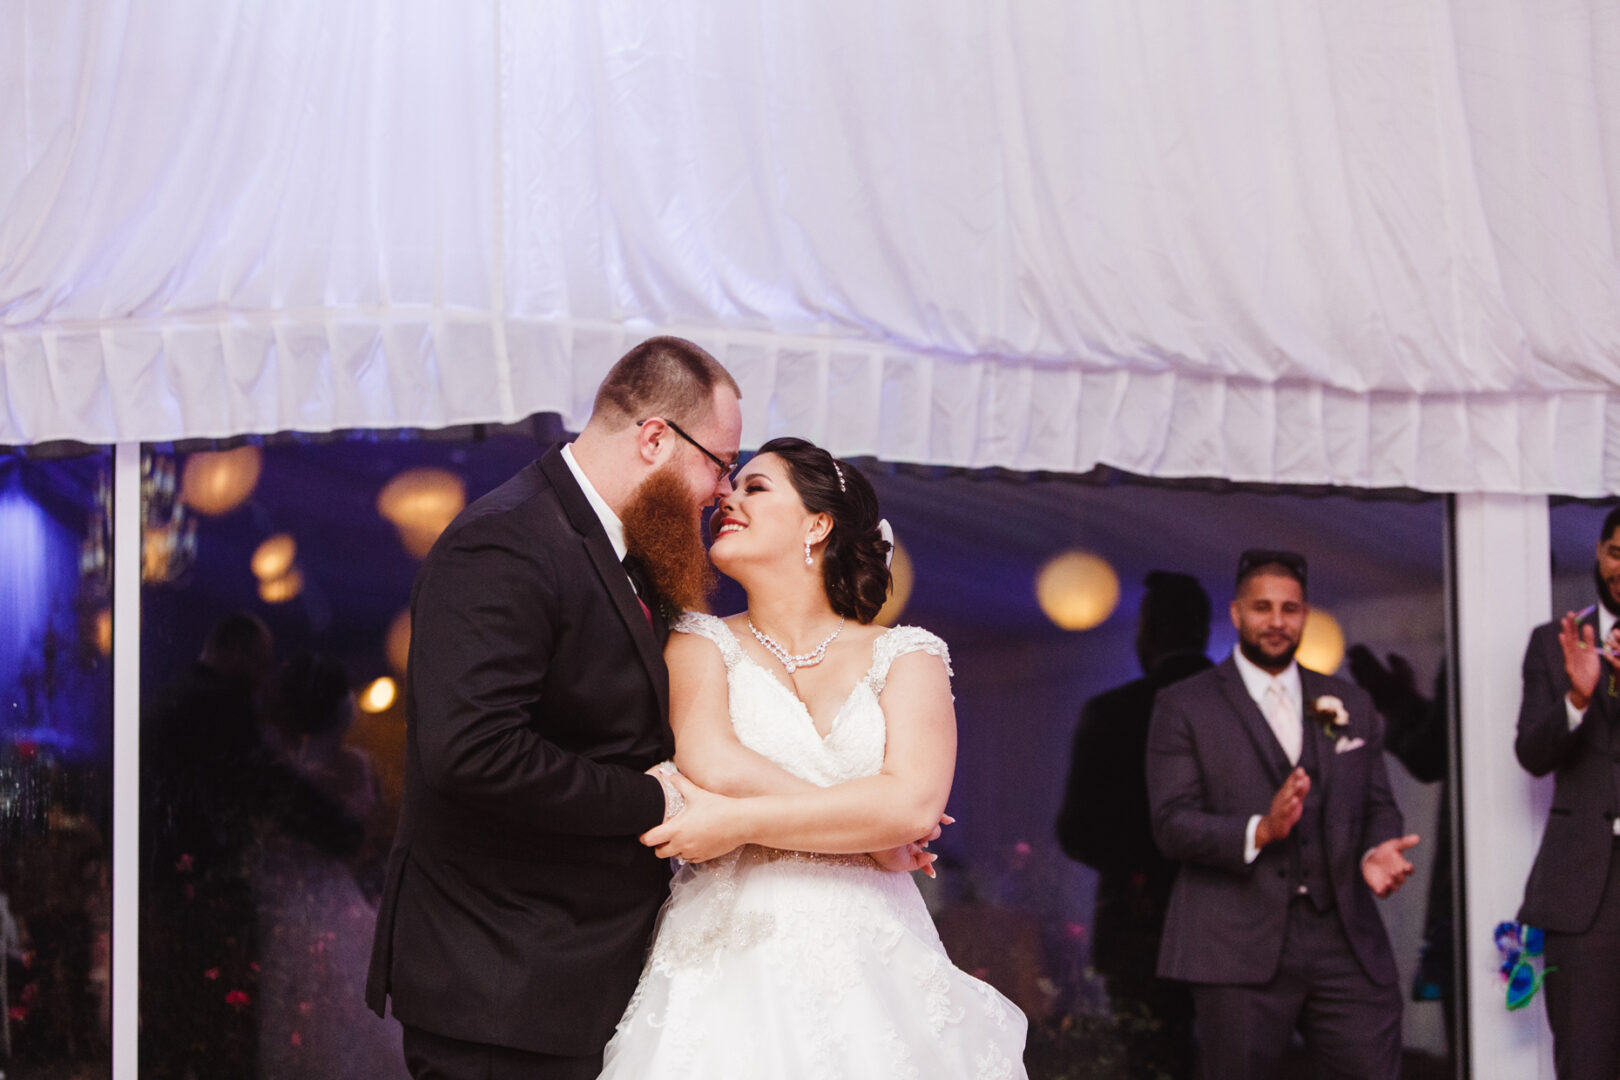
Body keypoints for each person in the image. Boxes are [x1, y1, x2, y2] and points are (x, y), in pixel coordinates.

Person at [364, 336, 744, 1080]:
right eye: (719, 463)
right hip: (501, 987)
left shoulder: (623, 552)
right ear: (655, 438)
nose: (721, 492)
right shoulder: (504, 543)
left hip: (570, 978)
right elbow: (474, 751)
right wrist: (651, 798)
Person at [599, 438, 1028, 1079]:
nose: (726, 498)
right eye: (730, 486)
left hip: (877, 958)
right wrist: (872, 837)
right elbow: (713, 763)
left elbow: (913, 803)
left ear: (818, 524)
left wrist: (739, 821)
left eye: (756, 487)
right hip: (731, 957)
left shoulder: (909, 655)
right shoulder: (697, 640)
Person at [1144, 549, 1419, 1080]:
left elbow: (1378, 803)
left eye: (1289, 609)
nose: (1276, 621)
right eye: (1262, 607)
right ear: (1236, 613)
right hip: (1233, 938)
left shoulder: (1348, 702)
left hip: (1343, 935)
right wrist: (1261, 829)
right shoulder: (1184, 705)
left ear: (1305, 614)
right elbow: (1171, 823)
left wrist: (1375, 849)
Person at [141, 612, 362, 1080]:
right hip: (201, 884)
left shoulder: (172, 696)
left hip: (164, 878)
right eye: (260, 663)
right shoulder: (218, 703)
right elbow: (264, 782)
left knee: (175, 1017)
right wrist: (340, 831)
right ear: (236, 653)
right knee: (212, 1020)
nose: (264, 677)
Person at [1055, 570, 1212, 1078]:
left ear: (1150, 633)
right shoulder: (1243, 713)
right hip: (1229, 921)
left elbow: (1075, 831)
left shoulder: (1112, 713)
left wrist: (1140, 863)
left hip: (1137, 924)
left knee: (1152, 1060)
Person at [256, 651, 401, 1079]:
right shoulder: (357, 767)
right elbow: (374, 835)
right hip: (346, 909)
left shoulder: (279, 774)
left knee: (300, 1021)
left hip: (294, 910)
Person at [1515, 507, 1620, 1080]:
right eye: (1618, 553)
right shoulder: (1550, 644)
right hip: (1585, 895)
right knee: (1585, 1062)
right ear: (1600, 552)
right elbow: (1531, 754)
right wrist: (1576, 699)